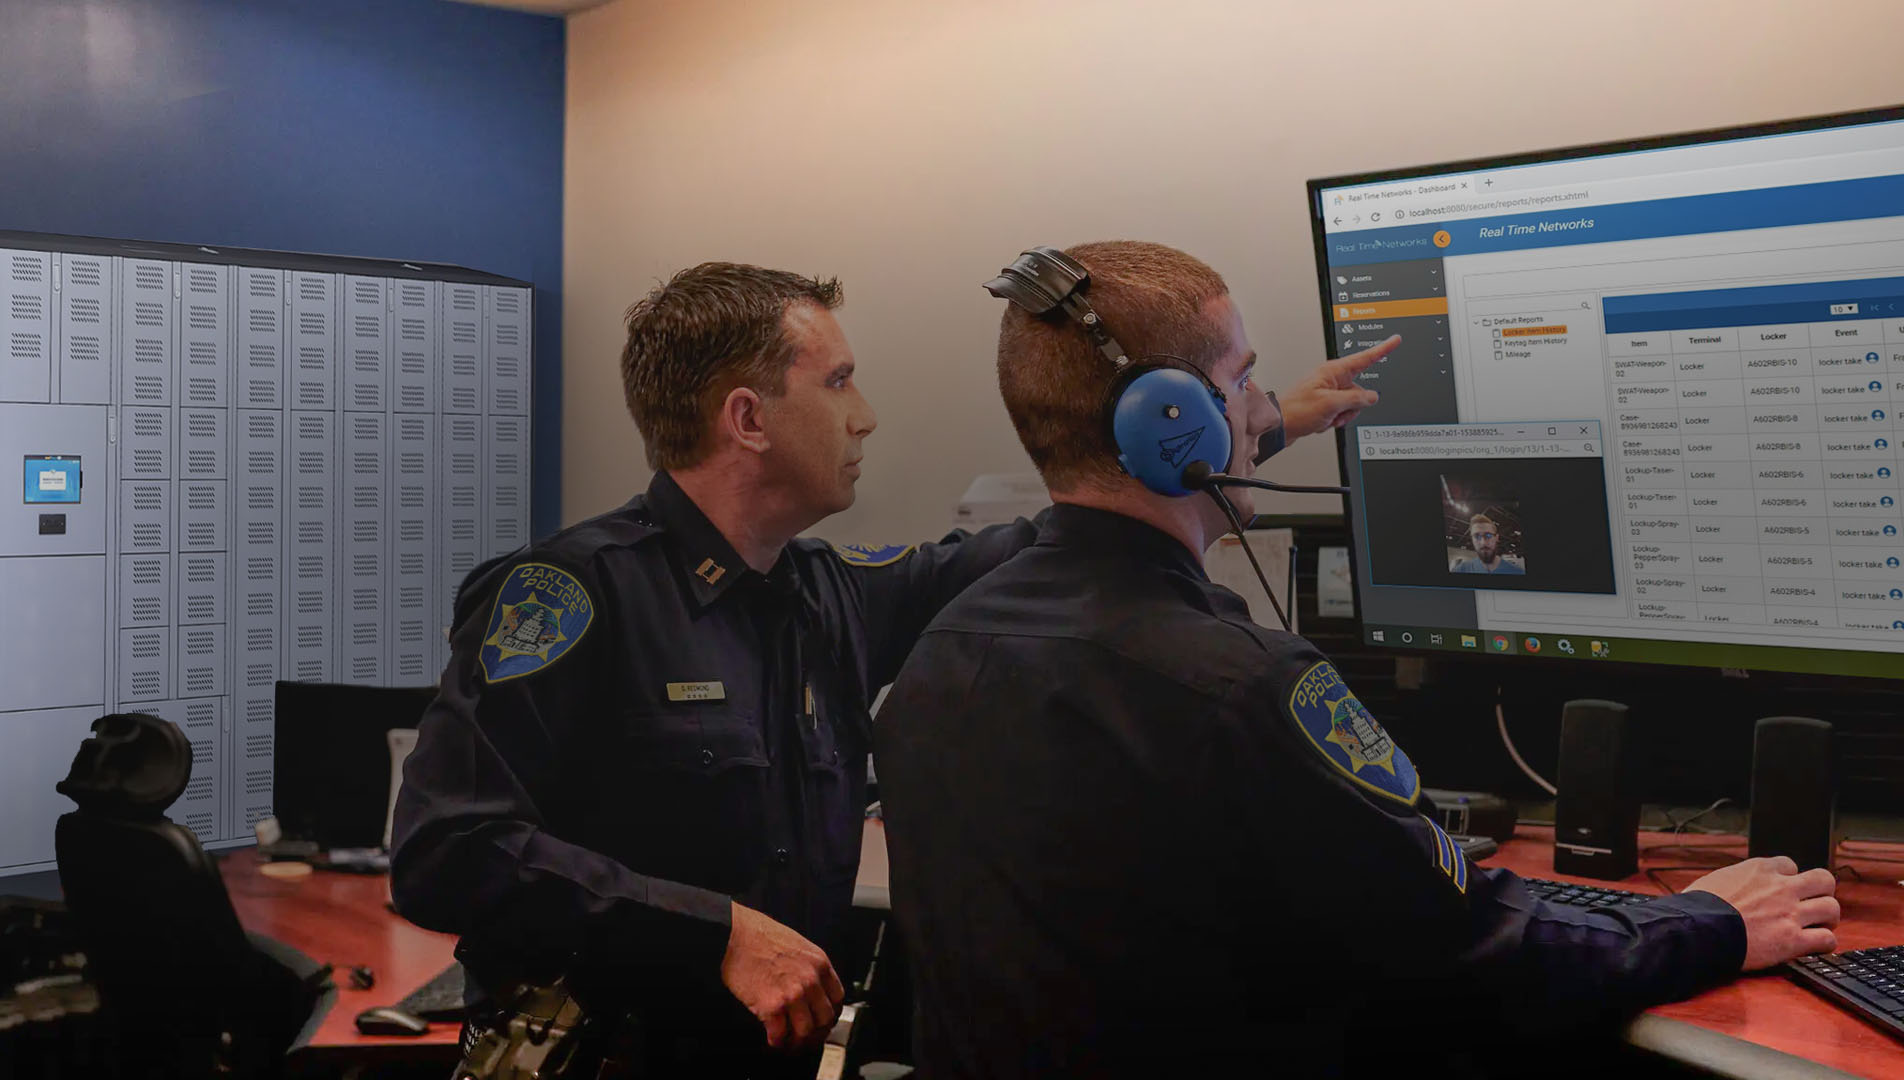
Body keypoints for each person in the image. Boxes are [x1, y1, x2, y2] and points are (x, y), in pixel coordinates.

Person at [388, 260, 1382, 1078]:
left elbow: (1057, 534)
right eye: (837, 382)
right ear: (747, 419)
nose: (864, 416)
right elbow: (448, 848)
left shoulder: (825, 592)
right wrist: (716, 933)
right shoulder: (574, 595)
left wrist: (1242, 428)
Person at [872, 241, 1839, 1080]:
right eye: (1244, 380)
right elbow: (1482, 946)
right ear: (1178, 427)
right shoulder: (1243, 686)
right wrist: (1710, 920)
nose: (1262, 406)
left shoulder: (939, 654)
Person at [1452, 511, 1524, 574]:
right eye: (1477, 536)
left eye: (1488, 535)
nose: (1483, 542)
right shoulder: (1461, 570)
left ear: (1496, 538)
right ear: (1472, 539)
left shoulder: (1517, 572)